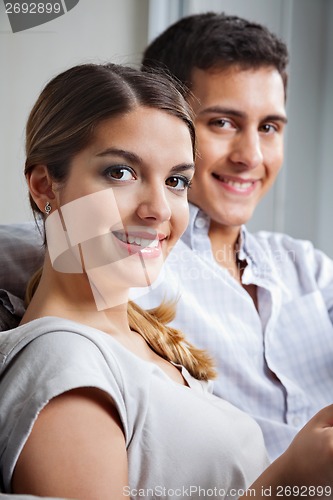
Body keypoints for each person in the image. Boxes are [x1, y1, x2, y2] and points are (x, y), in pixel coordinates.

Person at [2, 62, 333, 500]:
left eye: (176, 181)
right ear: (45, 186)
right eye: (121, 173)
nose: (158, 208)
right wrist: (287, 483)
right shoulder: (61, 362)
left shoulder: (147, 339)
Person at [136, 11, 333, 462]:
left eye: (269, 127)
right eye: (223, 123)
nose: (251, 156)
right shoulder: (137, 263)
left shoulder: (306, 267)